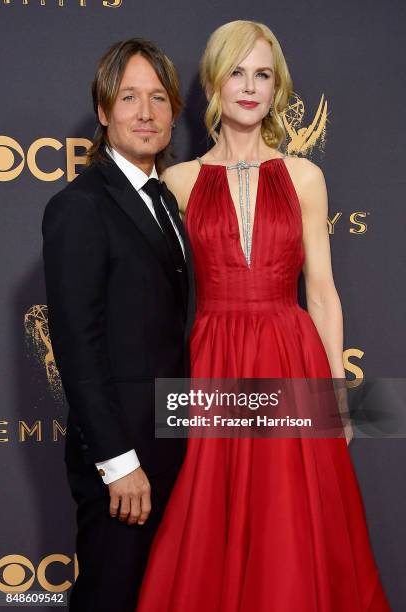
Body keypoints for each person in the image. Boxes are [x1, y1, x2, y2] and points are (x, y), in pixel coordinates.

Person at [136, 20, 390, 611]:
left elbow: (322, 293)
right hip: (211, 358)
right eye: (237, 73)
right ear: (213, 83)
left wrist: (337, 397)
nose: (249, 87)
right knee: (208, 512)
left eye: (263, 75)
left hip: (290, 354)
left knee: (289, 517)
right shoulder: (176, 181)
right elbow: (158, 302)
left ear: (277, 89)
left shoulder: (305, 177)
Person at [42, 38, 194, 611]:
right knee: (112, 595)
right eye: (129, 97)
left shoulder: (167, 203)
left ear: (175, 110)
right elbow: (76, 344)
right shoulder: (80, 206)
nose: (146, 112)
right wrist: (118, 462)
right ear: (104, 112)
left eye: (158, 98)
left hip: (174, 440)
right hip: (124, 459)